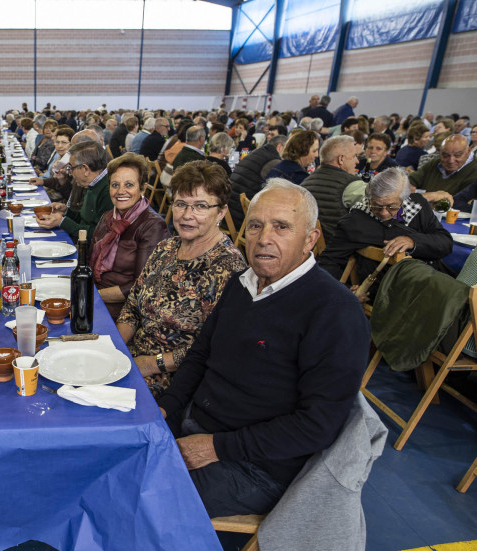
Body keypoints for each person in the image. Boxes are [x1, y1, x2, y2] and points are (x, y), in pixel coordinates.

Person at [157, 178, 370, 517]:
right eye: (255, 225)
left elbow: (318, 424)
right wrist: (166, 409)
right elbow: (200, 356)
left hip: (257, 466)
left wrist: (216, 447)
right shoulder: (242, 283)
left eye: (282, 227)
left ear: (310, 239)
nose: (264, 238)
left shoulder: (335, 311)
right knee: (113, 454)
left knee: (139, 493)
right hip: (196, 424)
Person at [117, 161, 246, 398]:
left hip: (175, 377)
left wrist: (149, 363)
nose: (187, 215)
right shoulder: (167, 247)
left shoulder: (228, 266)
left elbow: (215, 346)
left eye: (200, 206)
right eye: (181, 204)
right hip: (132, 357)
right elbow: (132, 306)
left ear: (221, 212)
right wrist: (115, 348)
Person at [318, 167, 453, 287]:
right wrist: (345, 291)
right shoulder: (355, 221)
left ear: (403, 199)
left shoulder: (418, 205)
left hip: (428, 276)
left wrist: (412, 241)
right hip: (390, 287)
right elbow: (330, 261)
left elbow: (445, 243)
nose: (383, 213)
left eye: (391, 206)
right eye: (375, 206)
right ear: (368, 198)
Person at [89, 153, 169, 320]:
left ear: (143, 188)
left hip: (124, 310)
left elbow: (142, 286)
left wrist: (91, 296)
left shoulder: (152, 226)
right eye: (115, 184)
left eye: (129, 185)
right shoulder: (107, 218)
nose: (121, 191)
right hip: (95, 296)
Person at [35, 141, 112, 242]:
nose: (70, 173)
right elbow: (85, 219)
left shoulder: (109, 191)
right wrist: (66, 211)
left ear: (85, 169)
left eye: (71, 167)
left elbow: (99, 234)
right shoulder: (93, 183)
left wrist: (62, 222)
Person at [300, 135, 361, 245]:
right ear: (341, 159)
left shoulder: (305, 184)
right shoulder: (352, 185)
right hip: (342, 253)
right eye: (354, 156)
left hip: (311, 249)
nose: (357, 161)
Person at [227, 136, 288, 230]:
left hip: (230, 212)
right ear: (280, 147)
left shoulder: (257, 153)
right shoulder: (273, 161)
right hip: (242, 219)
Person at [409, 134, 477, 206]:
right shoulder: (434, 163)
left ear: (469, 151)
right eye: (445, 155)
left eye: (457, 155)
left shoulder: (474, 170)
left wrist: (427, 196)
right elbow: (410, 183)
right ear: (440, 152)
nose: (451, 160)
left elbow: (458, 202)